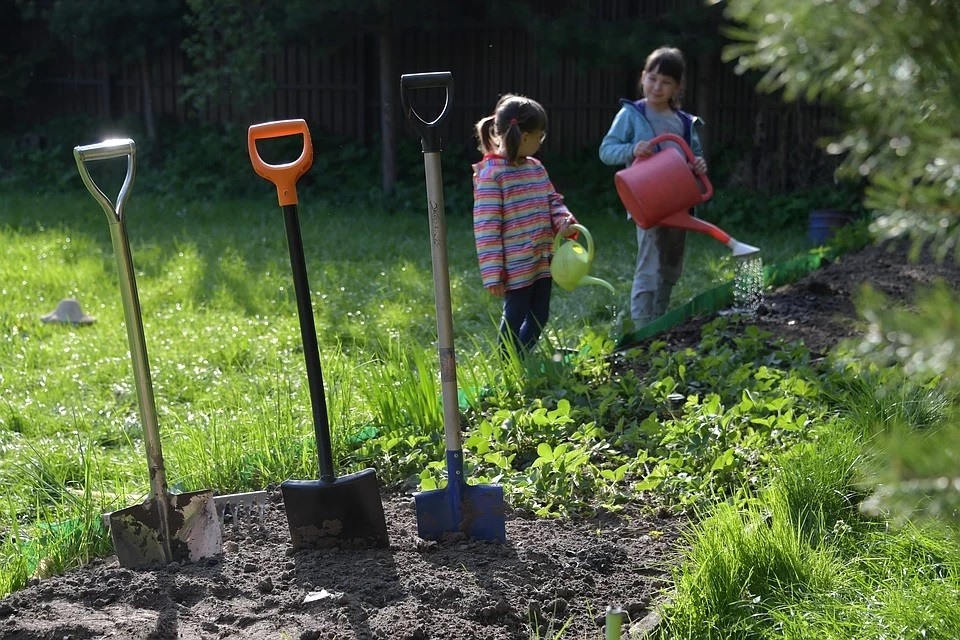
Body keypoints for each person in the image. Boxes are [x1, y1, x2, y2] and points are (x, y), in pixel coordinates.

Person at [599, 46, 707, 328]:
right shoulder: (632, 114)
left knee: (672, 263)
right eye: (653, 78)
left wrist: (699, 165)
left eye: (666, 82)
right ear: (643, 77)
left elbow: (693, 155)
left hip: (679, 201)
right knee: (649, 261)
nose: (657, 86)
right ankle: (642, 325)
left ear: (677, 87)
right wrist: (632, 149)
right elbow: (606, 150)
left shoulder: (684, 121)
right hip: (645, 201)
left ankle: (661, 317)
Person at [472, 94, 577, 357]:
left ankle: (522, 354)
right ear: (525, 136)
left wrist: (564, 220)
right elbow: (487, 227)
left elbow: (552, 201)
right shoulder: (493, 175)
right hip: (514, 266)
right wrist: (493, 272)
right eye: (540, 136)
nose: (541, 141)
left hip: (542, 259)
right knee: (515, 316)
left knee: (540, 314)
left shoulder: (536, 169)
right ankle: (508, 363)